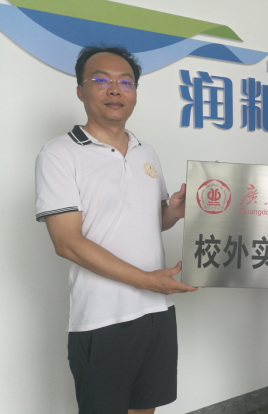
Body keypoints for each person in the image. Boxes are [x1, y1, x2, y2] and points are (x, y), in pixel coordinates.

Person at [35, 46, 197, 414]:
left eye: (125, 82)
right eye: (101, 80)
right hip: (103, 316)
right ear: (81, 90)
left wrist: (174, 212)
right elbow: (67, 243)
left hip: (156, 310)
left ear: (135, 93)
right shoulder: (59, 154)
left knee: (145, 408)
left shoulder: (145, 152)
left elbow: (151, 220)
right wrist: (146, 280)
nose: (114, 89)